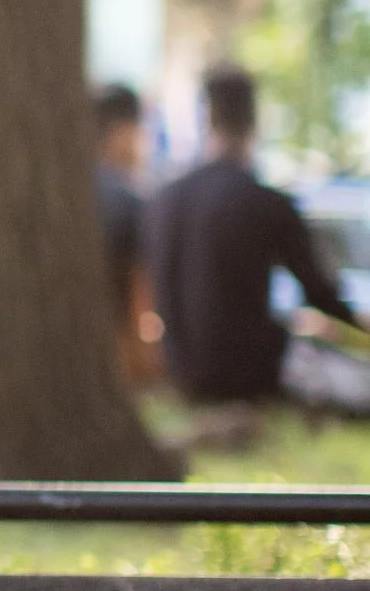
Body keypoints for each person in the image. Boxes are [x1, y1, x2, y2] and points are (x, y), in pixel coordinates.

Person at [143, 64, 370, 417]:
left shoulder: (164, 199)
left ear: (206, 118)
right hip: (252, 373)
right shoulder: (266, 202)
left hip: (181, 373)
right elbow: (322, 294)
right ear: (254, 118)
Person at [90, 83, 157, 381]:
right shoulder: (128, 202)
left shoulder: (64, 195)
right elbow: (140, 301)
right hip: (117, 353)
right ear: (122, 133)